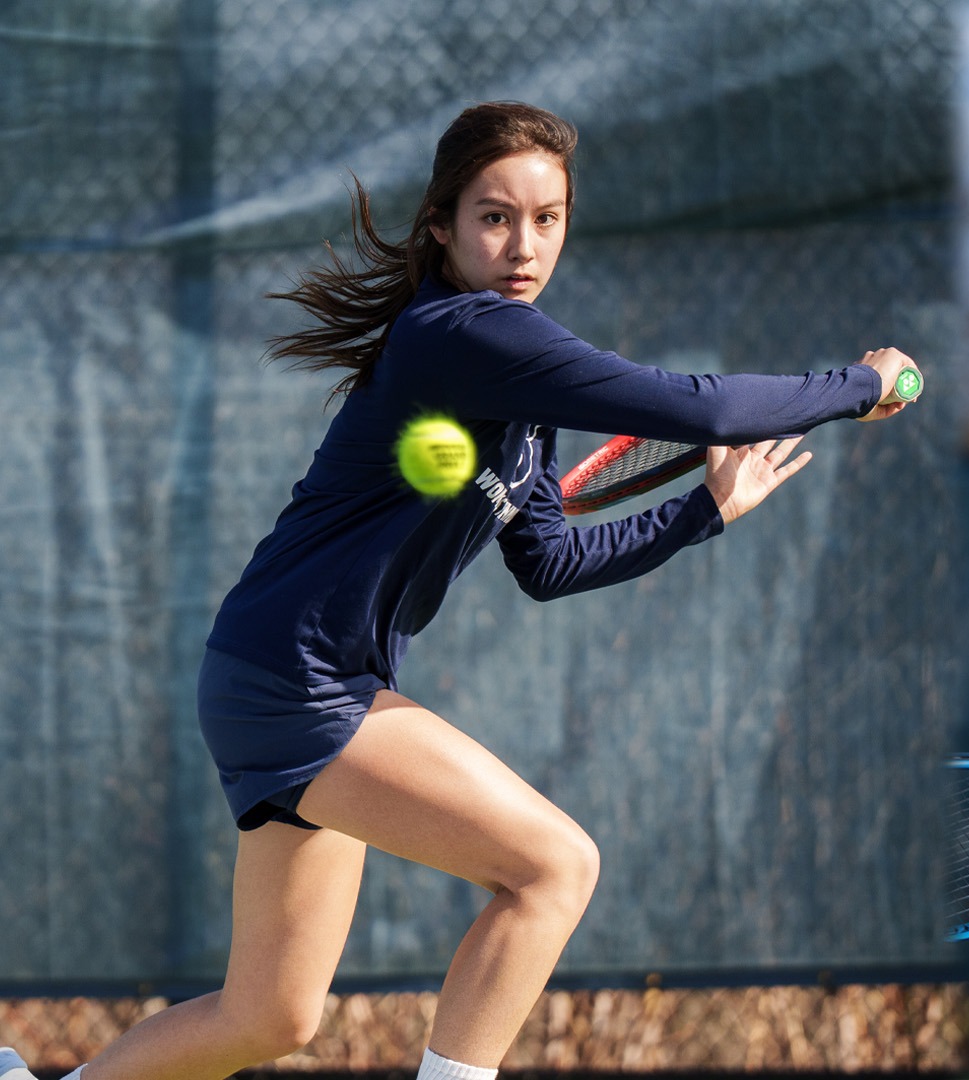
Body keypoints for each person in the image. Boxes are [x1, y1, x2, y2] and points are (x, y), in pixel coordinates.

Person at [0, 101, 918, 1080]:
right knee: (553, 869)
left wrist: (703, 515)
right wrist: (862, 384)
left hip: (279, 678)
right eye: (495, 216)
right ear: (441, 224)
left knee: (268, 1016)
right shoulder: (462, 335)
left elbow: (549, 565)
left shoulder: (520, 397)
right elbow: (697, 406)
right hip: (296, 681)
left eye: (547, 219)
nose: (524, 244)